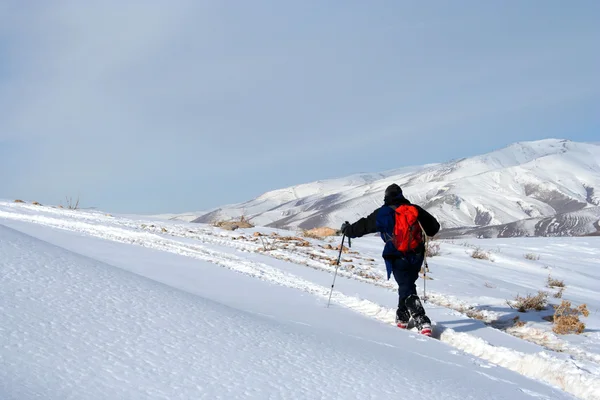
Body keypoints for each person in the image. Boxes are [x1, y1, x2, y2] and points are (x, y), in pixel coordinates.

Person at [340, 183, 440, 336]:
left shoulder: (383, 213)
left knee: (406, 286)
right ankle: (402, 316)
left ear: (386, 197)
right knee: (406, 284)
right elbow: (434, 228)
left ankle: (422, 319)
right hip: (417, 254)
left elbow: (363, 227)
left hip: (397, 254)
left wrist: (347, 230)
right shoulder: (415, 209)